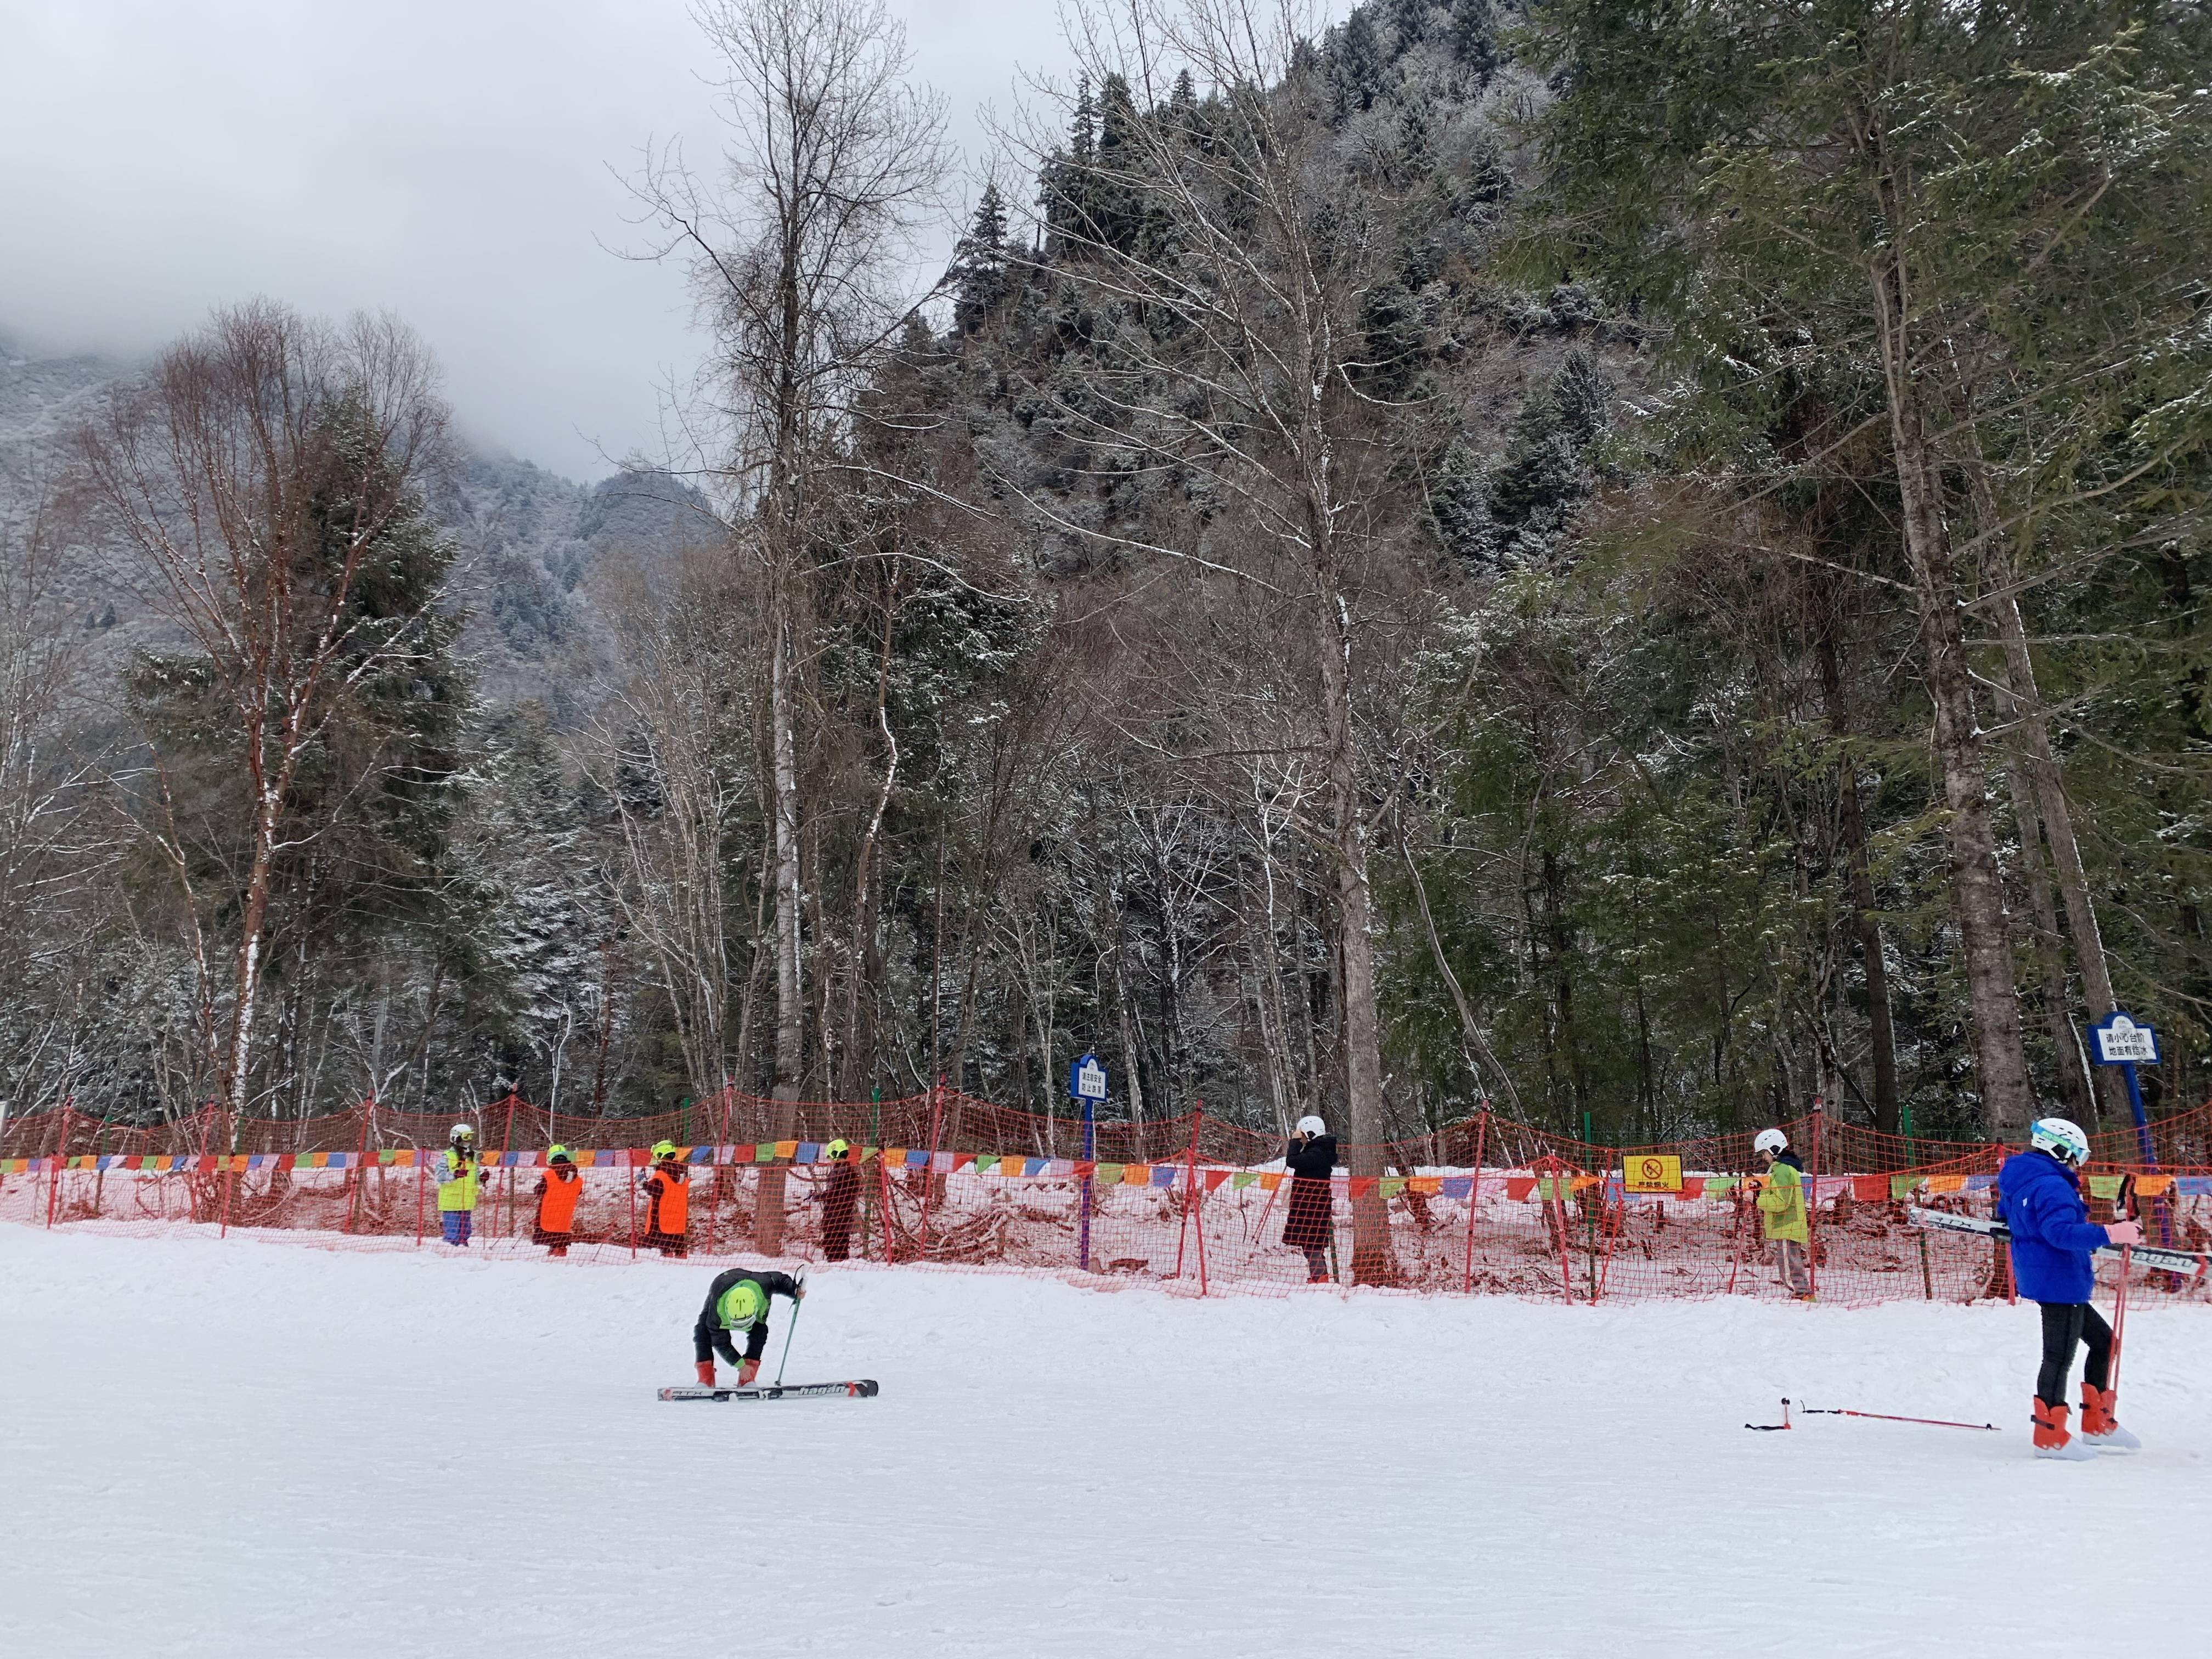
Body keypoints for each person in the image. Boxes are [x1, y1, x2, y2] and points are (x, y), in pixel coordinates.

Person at [1997, 1117, 2145, 1459]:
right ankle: (2049, 1436)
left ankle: (2097, 1424)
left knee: (2105, 1342)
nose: (2079, 1163)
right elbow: (2059, 1234)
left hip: (2053, 1276)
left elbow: (2006, 1215)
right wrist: (2111, 1233)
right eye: (2078, 1155)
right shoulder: (2052, 1185)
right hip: (2059, 1279)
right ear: (2060, 1149)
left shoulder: (2023, 1177)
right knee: (2058, 1357)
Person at [692, 1266, 806, 1387]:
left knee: (760, 1332)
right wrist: (740, 1365)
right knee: (702, 1331)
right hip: (722, 1284)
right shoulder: (717, 1311)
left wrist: (794, 1290)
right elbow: (720, 1342)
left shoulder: (764, 1283)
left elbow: (779, 1280)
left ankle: (747, 1379)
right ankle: (706, 1379)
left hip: (750, 1289)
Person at [1751, 1127, 1812, 1299]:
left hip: (1787, 1224)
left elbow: (1781, 1202)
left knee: (1788, 1263)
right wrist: (1759, 1191)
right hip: (1787, 1225)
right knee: (1789, 1260)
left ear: (1774, 1149)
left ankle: (1803, 1293)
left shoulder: (1783, 1170)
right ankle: (1801, 1292)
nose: (1763, 1157)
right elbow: (1776, 1194)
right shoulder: (1781, 1169)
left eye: (1764, 1153)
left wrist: (1757, 1200)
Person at [1282, 1115, 1337, 1283]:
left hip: (1313, 1207)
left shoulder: (1317, 1153)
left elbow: (1292, 1161)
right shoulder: (1317, 1151)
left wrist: (1295, 1142)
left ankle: (1321, 1279)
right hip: (1310, 1206)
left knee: (1312, 1244)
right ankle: (1319, 1277)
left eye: (1304, 1135)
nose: (1302, 1139)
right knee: (1311, 1244)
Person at [434, 1123, 485, 1247]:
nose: (468, 1141)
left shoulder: (472, 1157)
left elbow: (475, 1178)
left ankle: (463, 1249)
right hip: (451, 1201)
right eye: (465, 1137)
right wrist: (455, 1175)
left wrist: (482, 1179)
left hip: (466, 1201)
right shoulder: (448, 1156)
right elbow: (439, 1177)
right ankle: (451, 1249)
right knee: (453, 1232)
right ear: (456, 1138)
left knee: (466, 1231)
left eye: (470, 1137)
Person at [640, 1141, 689, 1257]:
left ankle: (666, 1257)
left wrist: (643, 1182)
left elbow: (653, 1190)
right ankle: (681, 1255)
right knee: (678, 1240)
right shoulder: (683, 1173)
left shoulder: (661, 1175)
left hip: (663, 1216)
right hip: (678, 1216)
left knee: (664, 1240)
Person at [532, 1144, 581, 1256]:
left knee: (549, 1232)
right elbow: (578, 1191)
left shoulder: (549, 1175)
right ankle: (561, 1250)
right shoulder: (577, 1178)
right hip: (565, 1215)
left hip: (549, 1213)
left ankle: (555, 1253)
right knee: (561, 1232)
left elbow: (539, 1191)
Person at [819, 1138, 861, 1262]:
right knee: (840, 1248)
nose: (830, 1160)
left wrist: (819, 1197)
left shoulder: (840, 1173)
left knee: (833, 1249)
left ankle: (837, 1274)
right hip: (844, 1219)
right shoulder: (852, 1173)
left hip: (835, 1218)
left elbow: (834, 1195)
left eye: (831, 1157)